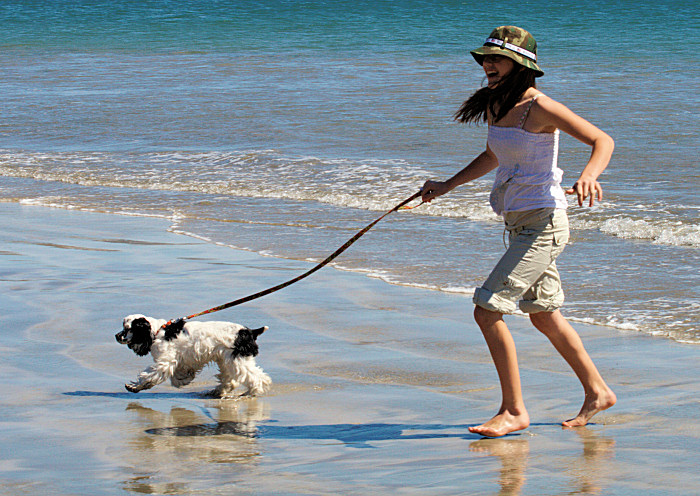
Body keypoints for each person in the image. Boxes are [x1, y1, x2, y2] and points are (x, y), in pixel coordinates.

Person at [422, 26, 616, 437]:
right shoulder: (497, 105)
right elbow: (495, 154)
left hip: (544, 223)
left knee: (487, 309)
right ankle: (598, 391)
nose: (488, 65)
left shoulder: (540, 107)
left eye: (496, 59)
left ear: (521, 65)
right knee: (545, 316)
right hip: (518, 223)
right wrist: (446, 186)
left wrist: (589, 175)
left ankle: (513, 411)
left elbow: (602, 140)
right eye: (485, 59)